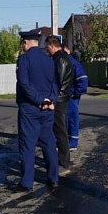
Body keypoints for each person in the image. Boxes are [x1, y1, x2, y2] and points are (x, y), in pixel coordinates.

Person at [13, 30, 59, 192]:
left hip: (30, 108)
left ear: (25, 43)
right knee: (49, 143)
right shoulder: (49, 60)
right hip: (47, 109)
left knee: (28, 145)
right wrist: (50, 100)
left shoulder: (24, 60)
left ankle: (27, 183)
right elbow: (55, 83)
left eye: (22, 43)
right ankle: (53, 178)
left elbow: (24, 84)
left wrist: (39, 100)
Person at [45, 35, 74, 176]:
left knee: (60, 130)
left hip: (59, 99)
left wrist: (52, 100)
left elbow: (59, 82)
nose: (46, 50)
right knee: (59, 130)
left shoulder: (60, 59)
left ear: (51, 45)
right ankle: (62, 160)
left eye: (47, 47)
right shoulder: (60, 57)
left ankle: (64, 163)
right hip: (61, 98)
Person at [64, 45, 88, 150]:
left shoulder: (72, 63)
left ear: (68, 51)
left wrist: (75, 93)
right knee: (65, 118)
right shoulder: (65, 62)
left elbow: (83, 79)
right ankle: (66, 140)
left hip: (71, 96)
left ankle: (73, 142)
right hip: (67, 95)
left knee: (71, 118)